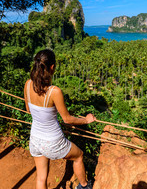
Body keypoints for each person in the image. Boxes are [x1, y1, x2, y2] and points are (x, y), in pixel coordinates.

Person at [24, 49, 96, 189]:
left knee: (41, 177)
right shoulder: (54, 92)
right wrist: (86, 120)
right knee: (79, 156)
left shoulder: (27, 85)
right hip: (52, 141)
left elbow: (28, 110)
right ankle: (84, 186)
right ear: (52, 67)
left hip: (35, 140)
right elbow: (67, 119)